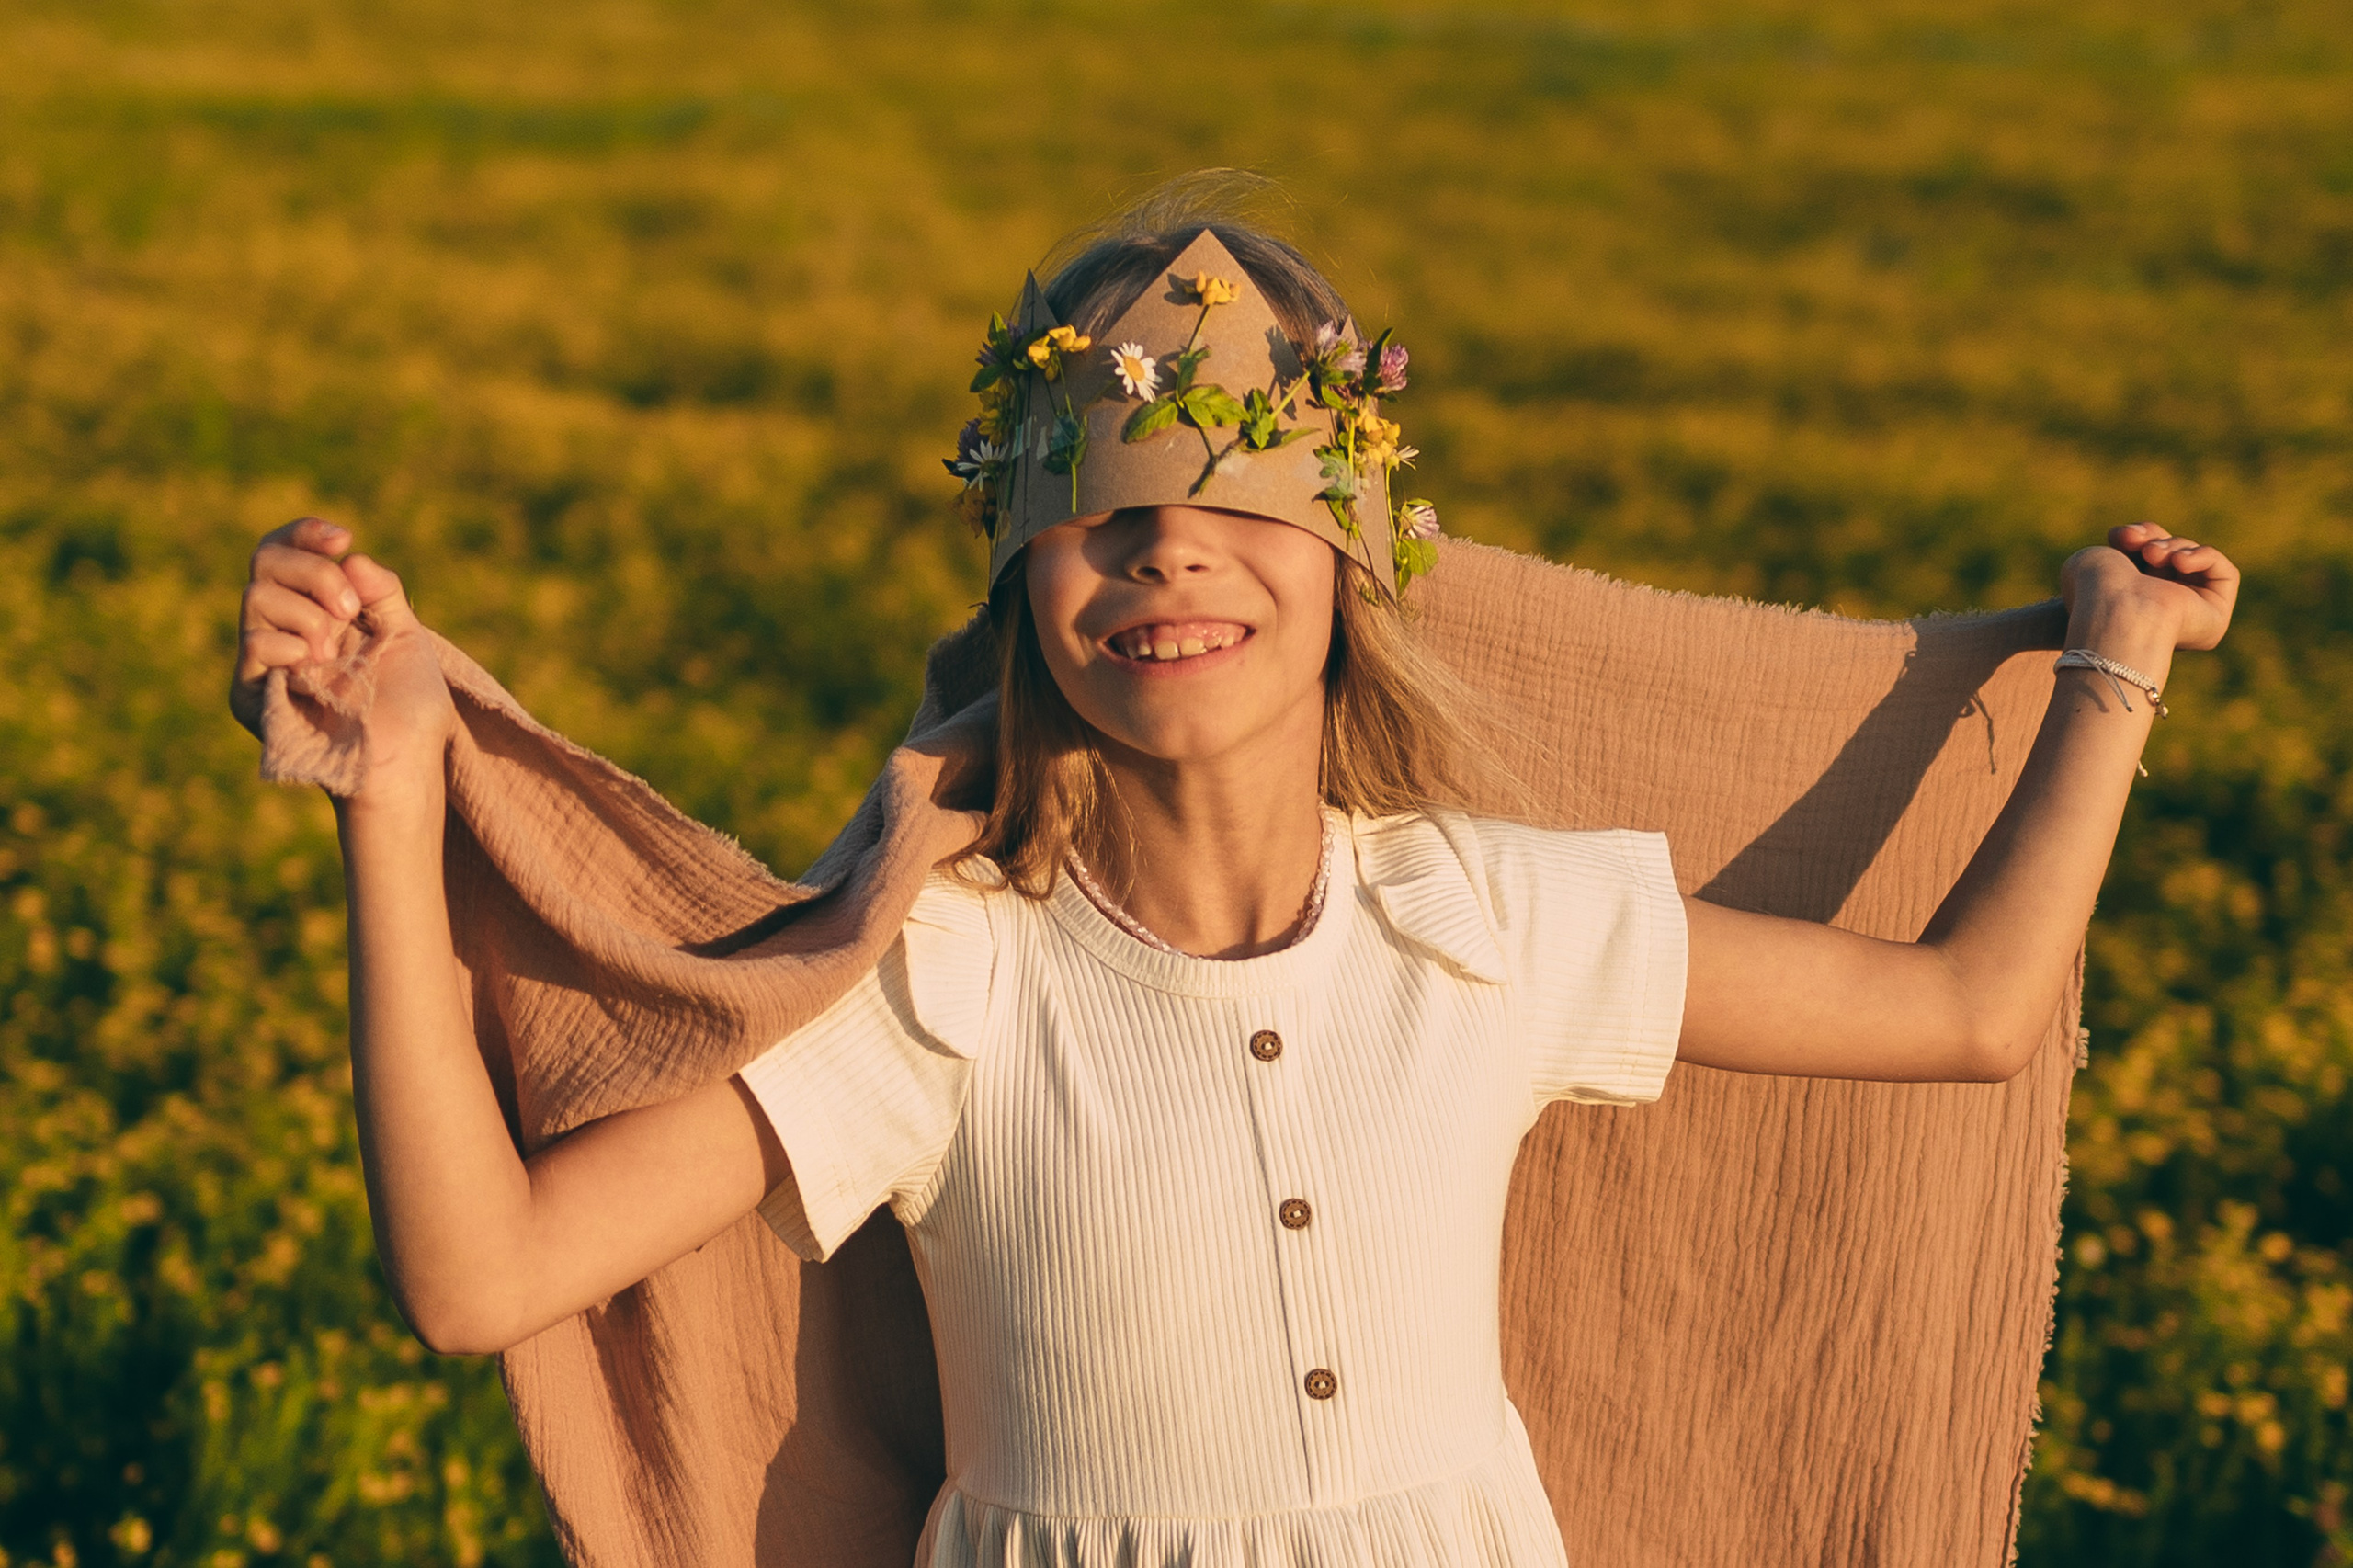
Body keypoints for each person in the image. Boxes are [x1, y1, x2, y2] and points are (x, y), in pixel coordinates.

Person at [227, 194, 2237, 1567]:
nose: (1169, 554)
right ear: (1026, 584)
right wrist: (390, 808)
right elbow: (477, 1276)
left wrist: (2104, 670)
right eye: (1102, 519)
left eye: (1232, 501)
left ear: (1349, 557)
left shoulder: (1484, 918)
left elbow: (1973, 1009)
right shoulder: (949, 982)